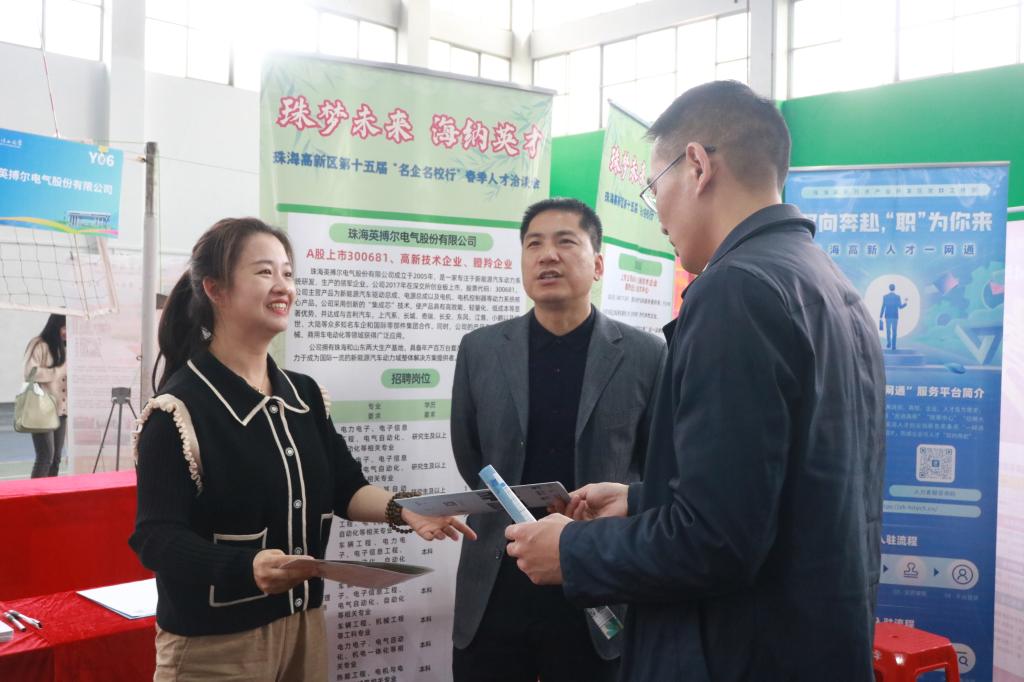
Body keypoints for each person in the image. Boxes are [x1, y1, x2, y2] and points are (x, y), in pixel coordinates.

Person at [505, 81, 886, 681]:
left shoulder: (735, 291)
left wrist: (572, 550)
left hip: (739, 653)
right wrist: (642, 499)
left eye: (654, 186)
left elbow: (717, 542)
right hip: (811, 642)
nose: (656, 213)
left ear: (698, 167)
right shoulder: (828, 284)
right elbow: (782, 492)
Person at [129, 217, 476, 682]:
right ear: (215, 289)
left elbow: (345, 488)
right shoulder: (178, 410)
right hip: (215, 646)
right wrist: (246, 566)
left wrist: (404, 509)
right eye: (264, 271)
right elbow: (156, 537)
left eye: (288, 273)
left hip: (304, 628)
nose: (283, 287)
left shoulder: (304, 395)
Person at [450, 197, 665, 682]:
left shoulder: (646, 354)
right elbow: (471, 455)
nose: (547, 255)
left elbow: (656, 467)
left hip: (598, 575)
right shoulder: (481, 349)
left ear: (598, 264)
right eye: (534, 245)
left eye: (565, 242)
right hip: (498, 577)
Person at [23, 314, 67, 478]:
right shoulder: (38, 344)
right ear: (55, 326)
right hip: (41, 410)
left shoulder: (64, 346)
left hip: (61, 409)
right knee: (45, 457)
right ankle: (35, 493)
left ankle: (50, 492)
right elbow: (29, 373)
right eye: (64, 327)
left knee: (56, 458)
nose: (67, 332)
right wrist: (58, 371)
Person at [880, 283, 908, 350]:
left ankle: (889, 343)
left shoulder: (885, 297)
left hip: (887, 316)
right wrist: (905, 303)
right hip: (895, 316)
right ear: (894, 288)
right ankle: (893, 346)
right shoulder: (897, 297)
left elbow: (883, 306)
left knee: (888, 331)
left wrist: (881, 316)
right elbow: (900, 307)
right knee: (894, 331)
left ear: (889, 288)